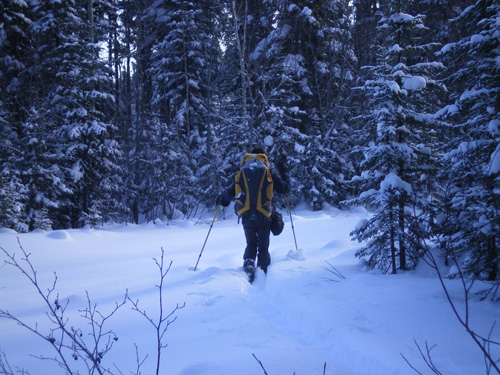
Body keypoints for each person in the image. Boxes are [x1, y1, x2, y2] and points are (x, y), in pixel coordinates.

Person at [217, 147, 290, 282]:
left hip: (246, 215)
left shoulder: (243, 173)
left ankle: (249, 264)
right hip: (264, 214)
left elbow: (230, 192)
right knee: (263, 245)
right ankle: (263, 268)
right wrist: (284, 173)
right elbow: (285, 189)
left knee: (251, 242)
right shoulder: (268, 173)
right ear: (265, 157)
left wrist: (223, 200)